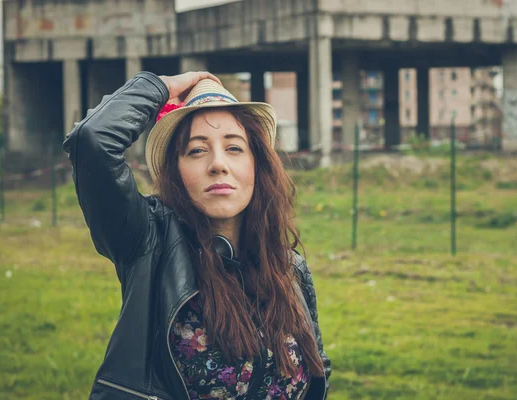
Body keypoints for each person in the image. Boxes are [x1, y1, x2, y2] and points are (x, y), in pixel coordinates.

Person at [63, 71, 331, 400]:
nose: (218, 164)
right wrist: (162, 87)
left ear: (255, 165)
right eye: (197, 151)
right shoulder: (149, 243)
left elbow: (318, 365)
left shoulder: (290, 268)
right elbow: (92, 140)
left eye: (234, 148)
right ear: (175, 171)